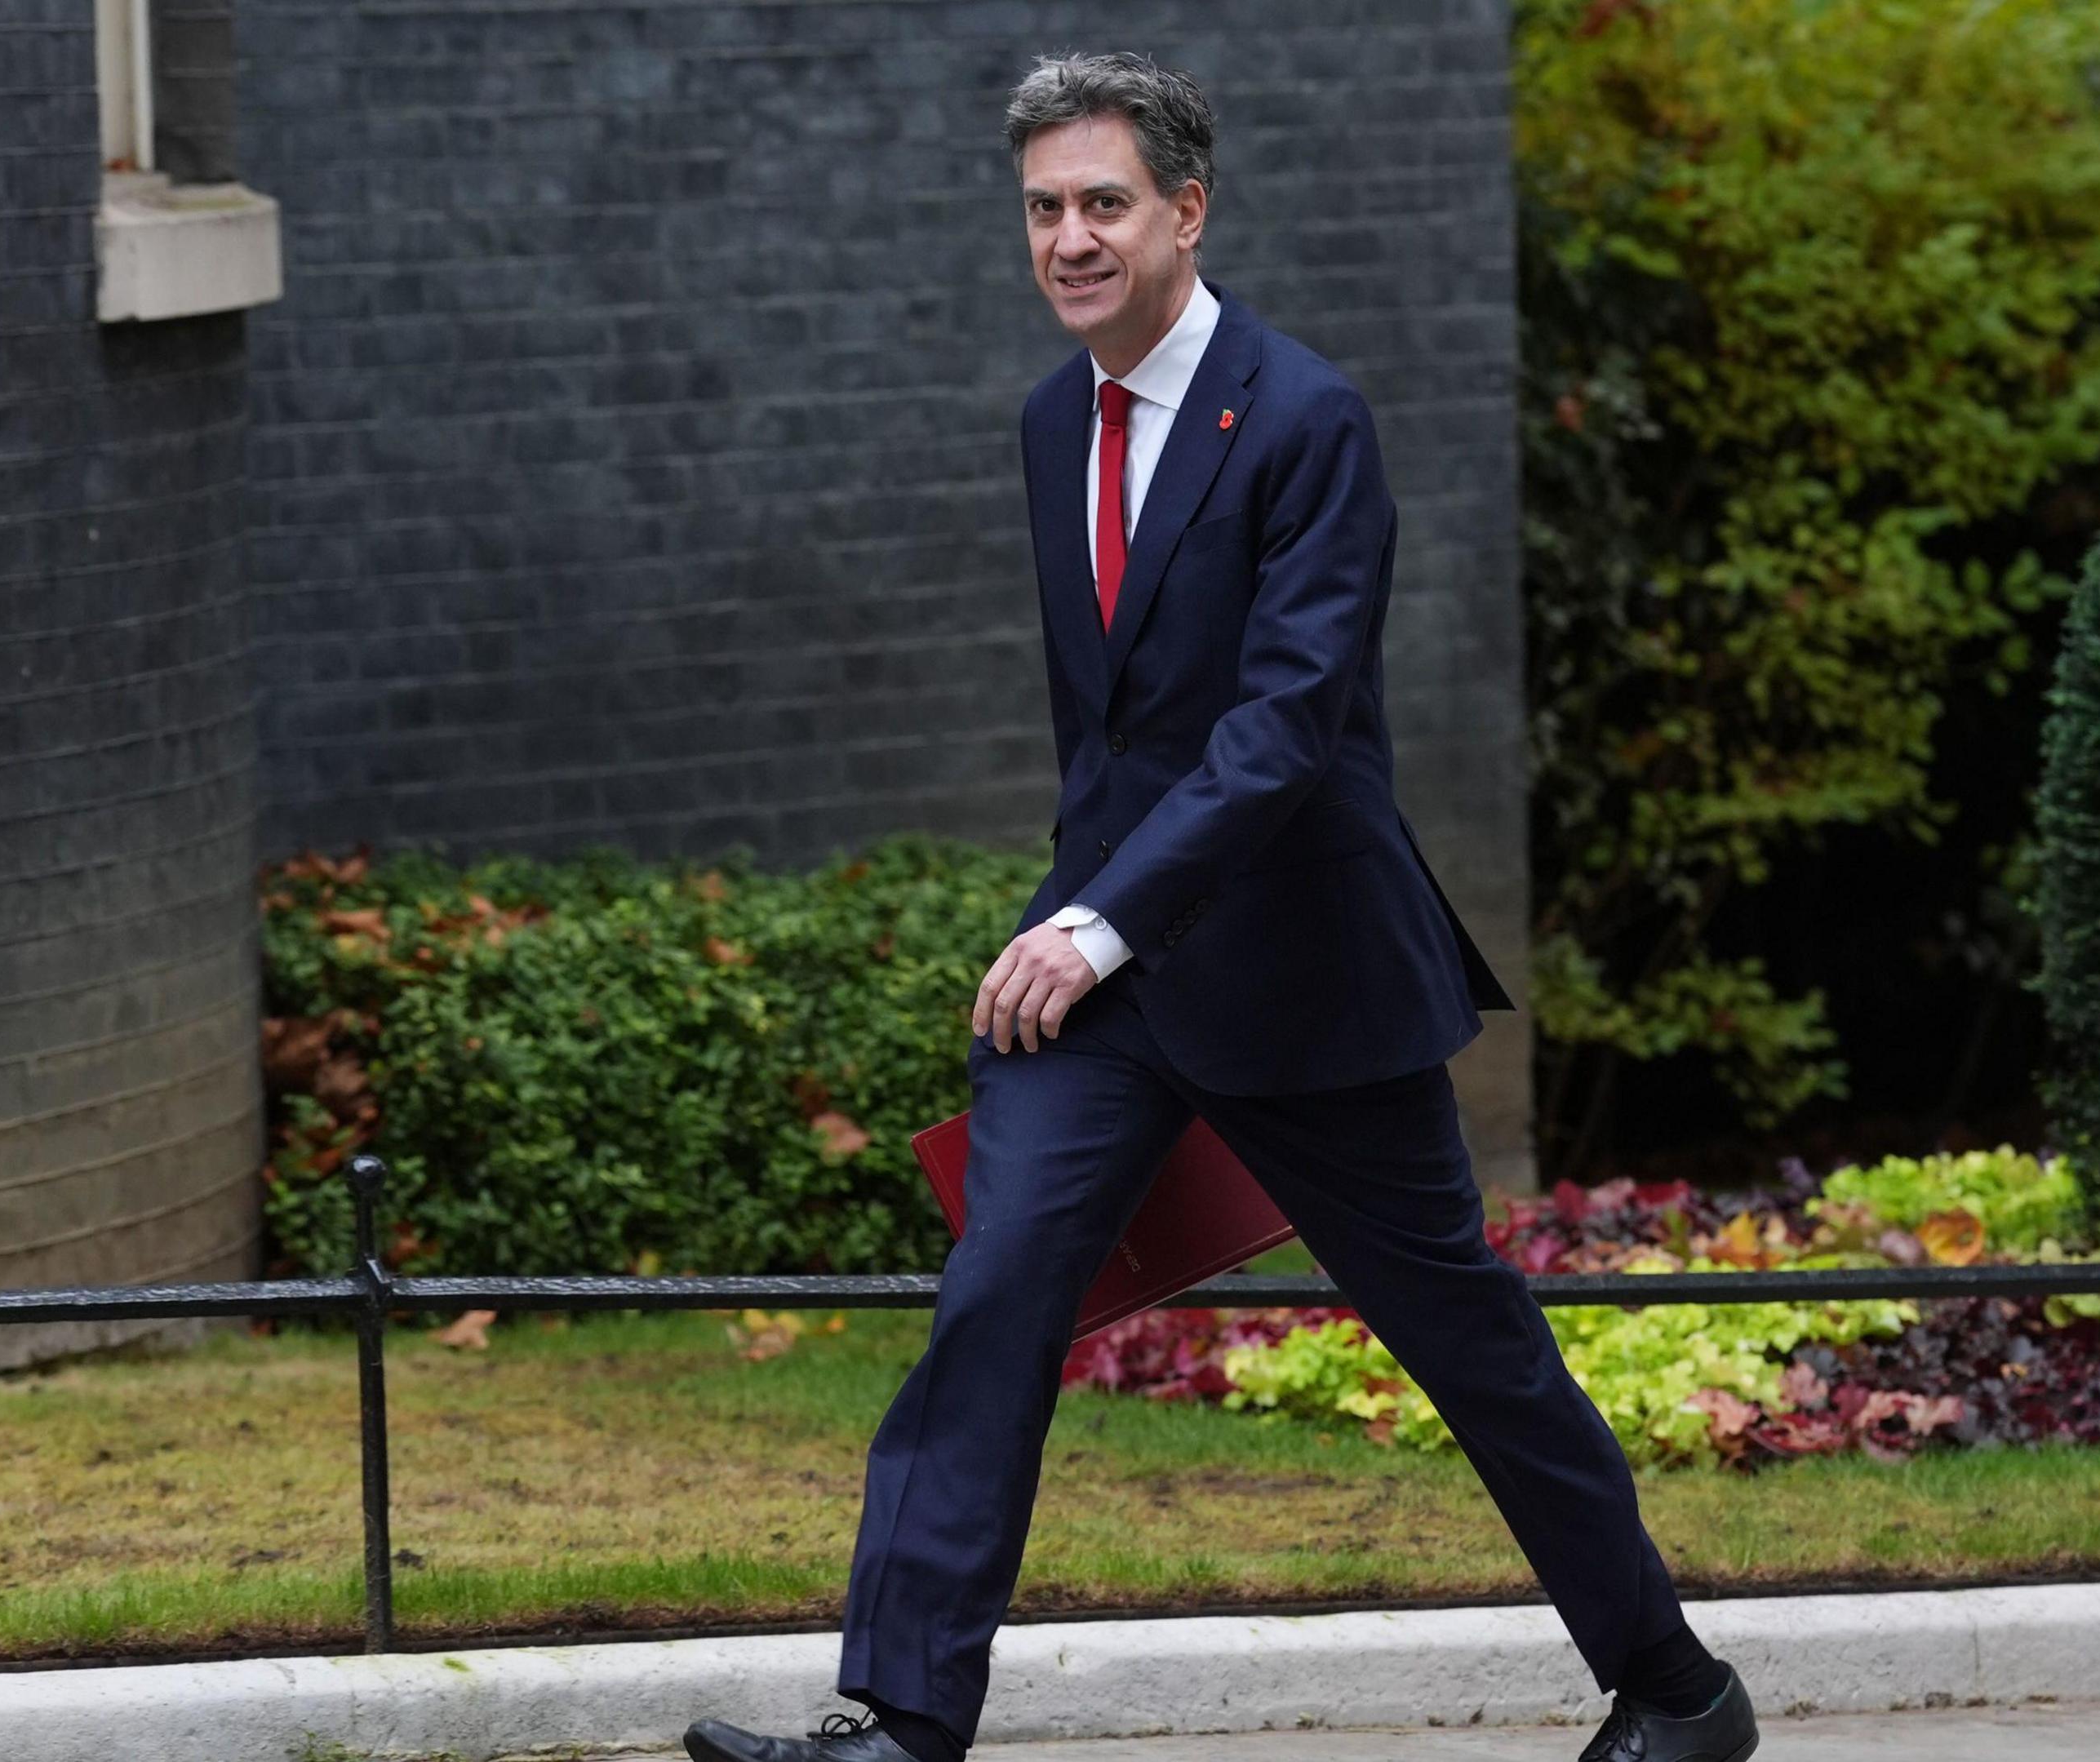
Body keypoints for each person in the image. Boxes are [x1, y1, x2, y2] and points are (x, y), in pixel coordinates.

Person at [682, 51, 1759, 1762]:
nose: (1070, 238)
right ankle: (895, 1721)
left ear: (1189, 210)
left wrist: (1094, 924)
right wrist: (1081, 924)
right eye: (1043, 208)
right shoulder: (1054, 422)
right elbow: (1109, 732)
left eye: (1104, 203)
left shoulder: (1307, 418)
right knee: (998, 1294)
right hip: (1109, 988)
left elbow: (1284, 734)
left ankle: (1678, 1691)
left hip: (1306, 979)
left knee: (1470, 1349)